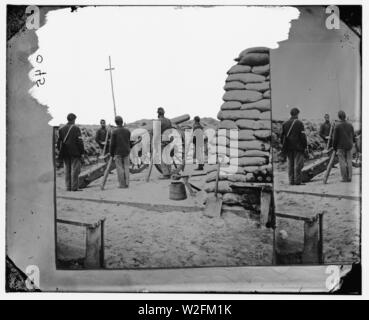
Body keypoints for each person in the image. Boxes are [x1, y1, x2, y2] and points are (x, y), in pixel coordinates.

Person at [58, 113, 85, 191]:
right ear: (73, 120)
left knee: (67, 170)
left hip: (65, 152)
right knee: (74, 170)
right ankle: (74, 187)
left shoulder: (61, 129)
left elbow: (59, 143)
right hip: (75, 152)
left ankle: (68, 187)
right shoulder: (76, 128)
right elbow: (80, 141)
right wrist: (82, 152)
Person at [281, 107, 307, 185]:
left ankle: (291, 181)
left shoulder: (285, 124)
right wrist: (305, 146)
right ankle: (297, 181)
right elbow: (303, 136)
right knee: (298, 165)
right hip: (298, 147)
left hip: (288, 147)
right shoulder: (299, 123)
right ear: (297, 114)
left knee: (290, 164)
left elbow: (282, 137)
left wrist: (284, 146)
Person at [332, 111, 355, 182]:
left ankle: (344, 178)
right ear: (345, 116)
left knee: (342, 162)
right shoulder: (350, 125)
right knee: (349, 161)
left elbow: (334, 139)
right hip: (349, 146)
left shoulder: (337, 125)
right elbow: (353, 136)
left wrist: (334, 147)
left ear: (339, 117)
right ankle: (350, 177)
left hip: (340, 146)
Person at [110, 116, 131, 188]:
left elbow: (112, 144)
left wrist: (111, 153)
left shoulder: (114, 132)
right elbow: (128, 141)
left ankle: (122, 184)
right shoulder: (127, 131)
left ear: (116, 122)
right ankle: (127, 183)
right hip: (126, 151)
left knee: (120, 169)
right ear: (122, 121)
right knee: (126, 168)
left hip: (118, 152)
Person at [157, 107, 172, 178]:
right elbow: (171, 131)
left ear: (158, 114)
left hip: (162, 141)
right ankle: (170, 171)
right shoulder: (168, 121)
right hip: (168, 140)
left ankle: (166, 174)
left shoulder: (158, 121)